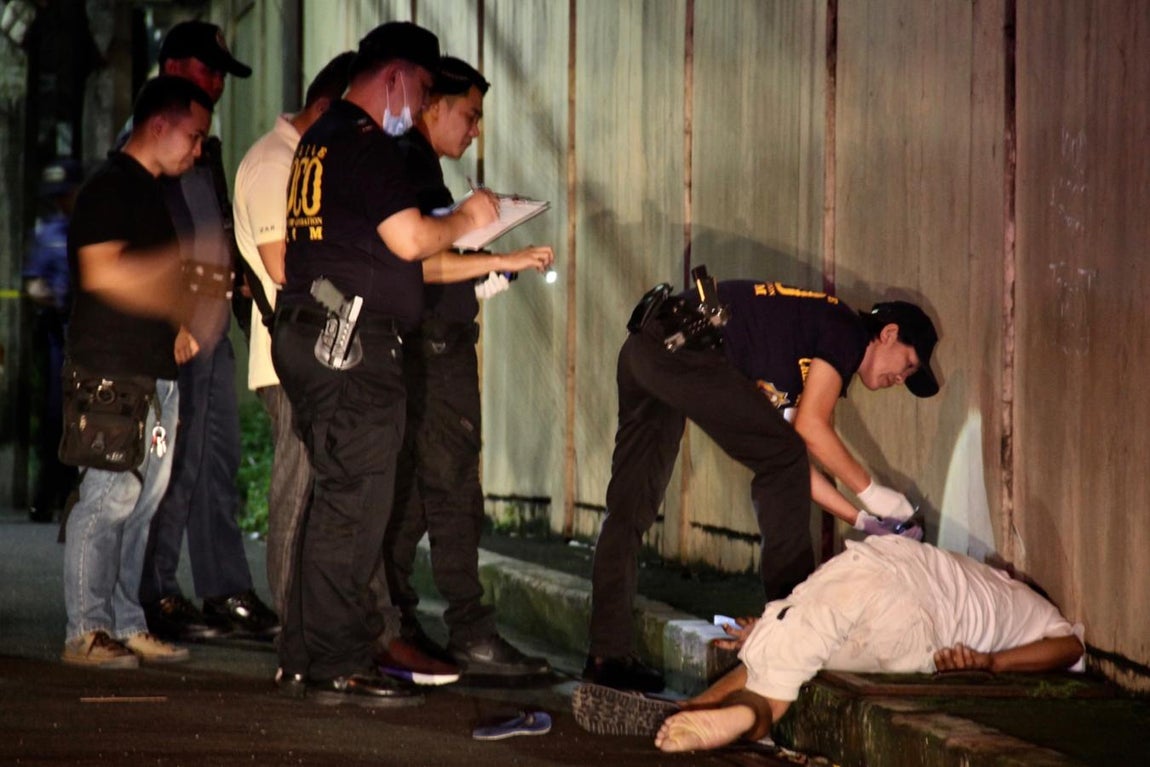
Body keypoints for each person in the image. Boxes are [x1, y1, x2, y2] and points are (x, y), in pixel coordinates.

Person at [272, 22, 499, 705]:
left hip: (312, 334)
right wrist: (469, 217)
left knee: (332, 498)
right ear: (396, 76)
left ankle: (309, 650)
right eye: (425, 88)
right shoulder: (366, 146)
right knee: (356, 504)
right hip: (350, 344)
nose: (422, 104)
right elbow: (410, 237)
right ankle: (340, 657)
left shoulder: (320, 139)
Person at [585, 280, 941, 692]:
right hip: (687, 346)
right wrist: (875, 495)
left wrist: (861, 517)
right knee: (781, 457)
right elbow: (809, 431)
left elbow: (792, 463)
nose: (902, 378)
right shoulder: (845, 329)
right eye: (909, 364)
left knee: (629, 509)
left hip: (650, 348)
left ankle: (606, 656)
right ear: (889, 333)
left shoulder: (803, 345)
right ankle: (796, 631)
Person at [375, 56, 554, 684]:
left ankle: (395, 618)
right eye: (469, 114)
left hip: (422, 348)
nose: (475, 130)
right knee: (451, 494)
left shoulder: (407, 164)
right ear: (432, 104)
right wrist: (496, 255)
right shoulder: (412, 166)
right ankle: (469, 633)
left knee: (417, 497)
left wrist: (487, 263)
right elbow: (420, 262)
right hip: (434, 351)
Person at [646, 535, 1086, 752]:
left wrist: (992, 662)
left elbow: (1070, 647)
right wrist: (989, 660)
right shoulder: (1012, 605)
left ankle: (744, 713)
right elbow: (1067, 648)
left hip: (889, 574)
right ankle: (704, 711)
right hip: (902, 619)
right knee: (789, 646)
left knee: (790, 640)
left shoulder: (1017, 600)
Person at [61, 76, 213, 668]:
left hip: (152, 373)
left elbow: (150, 279)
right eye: (194, 136)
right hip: (110, 370)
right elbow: (103, 274)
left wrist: (177, 324)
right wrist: (174, 270)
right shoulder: (109, 188)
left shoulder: (150, 190)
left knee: (143, 499)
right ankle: (86, 628)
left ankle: (124, 619)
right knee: (108, 495)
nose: (198, 150)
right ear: (159, 124)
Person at [140, 20, 280, 643]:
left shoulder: (206, 150)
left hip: (215, 324)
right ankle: (156, 591)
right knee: (173, 464)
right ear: (172, 67)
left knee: (215, 461)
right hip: (176, 329)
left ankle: (224, 588)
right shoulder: (154, 143)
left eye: (222, 73)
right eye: (207, 69)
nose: (218, 83)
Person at [234, 50, 355, 621]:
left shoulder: (304, 158)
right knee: (295, 488)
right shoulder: (272, 163)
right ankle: (292, 627)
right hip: (286, 355)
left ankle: (310, 622)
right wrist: (347, 303)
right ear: (329, 106)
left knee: (317, 490)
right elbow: (284, 267)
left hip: (316, 349)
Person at [24, 158, 82, 523]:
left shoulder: (88, 225)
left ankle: (69, 495)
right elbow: (32, 282)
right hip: (56, 333)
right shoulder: (48, 232)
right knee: (53, 415)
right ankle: (48, 497)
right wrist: (44, 294)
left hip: (83, 331)